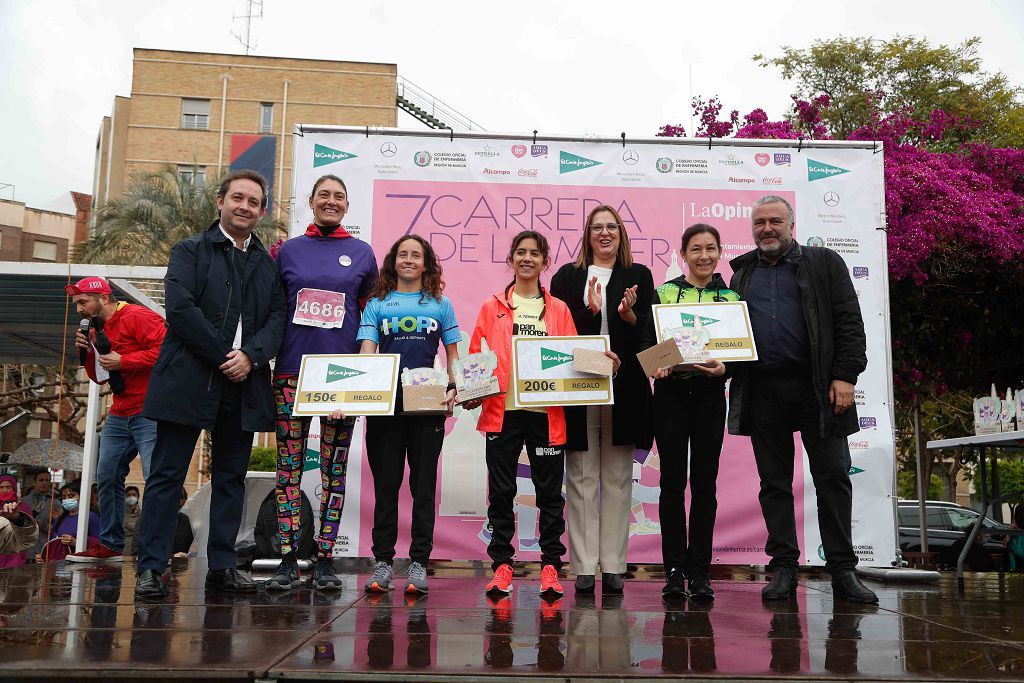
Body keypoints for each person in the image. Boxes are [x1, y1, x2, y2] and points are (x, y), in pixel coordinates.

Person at [134, 169, 287, 599]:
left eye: (254, 202)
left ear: (261, 212)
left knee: (231, 479)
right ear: (220, 202)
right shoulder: (189, 250)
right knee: (166, 477)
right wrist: (226, 357)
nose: (245, 206)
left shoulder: (266, 265)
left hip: (244, 384)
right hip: (188, 380)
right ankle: (152, 567)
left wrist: (251, 357)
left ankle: (222, 567)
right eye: (238, 198)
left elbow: (278, 318)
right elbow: (181, 311)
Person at [728, 195, 877, 604]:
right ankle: (784, 569)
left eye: (775, 220)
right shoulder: (740, 275)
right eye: (759, 223)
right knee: (774, 484)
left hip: (820, 389)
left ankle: (843, 571)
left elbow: (850, 321)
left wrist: (846, 375)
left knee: (832, 477)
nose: (767, 229)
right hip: (763, 392)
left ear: (791, 224)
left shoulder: (825, 262)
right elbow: (727, 338)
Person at [466, 230, 615, 597]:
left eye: (535, 253)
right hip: (503, 412)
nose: (527, 258)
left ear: (545, 261)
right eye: (521, 252)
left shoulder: (559, 309)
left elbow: (573, 358)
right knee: (501, 492)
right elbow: (475, 357)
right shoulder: (491, 306)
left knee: (550, 495)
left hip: (546, 413)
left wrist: (604, 362)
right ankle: (502, 565)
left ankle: (550, 566)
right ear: (512, 259)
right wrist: (469, 390)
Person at [265, 173, 377, 592]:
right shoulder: (288, 251)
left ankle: (325, 558)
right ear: (311, 202)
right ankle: (288, 559)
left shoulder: (362, 253)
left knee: (333, 473)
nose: (331, 201)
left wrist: (366, 374)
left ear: (346, 206)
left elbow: (370, 318)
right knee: (287, 471)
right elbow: (274, 309)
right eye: (324, 195)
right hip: (292, 374)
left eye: (339, 197)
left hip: (340, 379)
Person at [549, 205, 655, 595]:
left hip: (623, 388)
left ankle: (612, 566)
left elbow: (651, 329)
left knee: (616, 478)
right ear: (587, 233)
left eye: (612, 227)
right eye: (598, 227)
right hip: (578, 387)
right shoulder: (567, 276)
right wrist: (589, 312)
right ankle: (583, 567)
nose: (605, 233)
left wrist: (627, 317)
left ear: (622, 233)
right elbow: (558, 332)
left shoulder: (639, 275)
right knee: (579, 479)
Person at [357, 234, 460, 595]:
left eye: (416, 255)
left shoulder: (440, 304)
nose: (409, 260)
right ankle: (383, 563)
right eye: (403, 254)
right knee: (386, 486)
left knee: (422, 488)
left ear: (426, 263)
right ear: (393, 261)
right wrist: (359, 393)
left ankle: (419, 563)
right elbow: (367, 354)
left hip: (428, 406)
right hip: (386, 405)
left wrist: (455, 387)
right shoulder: (377, 304)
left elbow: (454, 357)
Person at [640, 223, 738, 602]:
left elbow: (742, 352)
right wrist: (658, 365)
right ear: (684, 254)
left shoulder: (731, 298)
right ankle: (674, 573)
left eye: (710, 248)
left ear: (719, 253)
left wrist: (727, 369)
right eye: (695, 249)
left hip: (711, 397)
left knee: (705, 486)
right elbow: (647, 344)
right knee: (671, 485)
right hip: (670, 397)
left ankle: (700, 573)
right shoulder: (663, 293)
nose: (703, 256)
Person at [64, 276, 166, 563]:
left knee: (155, 478)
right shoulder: (98, 328)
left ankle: (157, 548)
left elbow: (167, 352)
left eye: (84, 302)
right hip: (120, 412)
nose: (80, 309)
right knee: (107, 476)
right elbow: (100, 376)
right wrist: (86, 351)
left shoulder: (137, 316)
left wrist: (125, 361)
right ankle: (111, 544)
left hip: (150, 410)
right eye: (77, 304)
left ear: (104, 298)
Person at [38, 481, 101, 562]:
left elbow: (99, 544)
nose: (67, 499)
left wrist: (76, 543)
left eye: (71, 496)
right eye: (64, 497)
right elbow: (53, 543)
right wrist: (42, 556)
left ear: (82, 496)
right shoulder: (60, 519)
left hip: (80, 564)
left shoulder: (91, 517)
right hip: (59, 566)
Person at [0, 475, 35, 566]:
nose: (4, 490)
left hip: (15, 554)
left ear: (14, 488)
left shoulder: (23, 506)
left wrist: (15, 517)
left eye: (8, 487)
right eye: (1, 487)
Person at [21, 470, 55, 557]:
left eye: (47, 481)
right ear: (34, 482)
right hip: (25, 550)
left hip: (45, 550)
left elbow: (58, 529)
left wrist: (42, 525)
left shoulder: (55, 503)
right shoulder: (24, 501)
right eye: (41, 480)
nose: (44, 483)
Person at [123, 485, 141, 556]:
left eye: (134, 495)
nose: (131, 497)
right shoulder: (120, 513)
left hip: (136, 548)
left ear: (138, 497)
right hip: (123, 547)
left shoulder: (142, 513)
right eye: (129, 495)